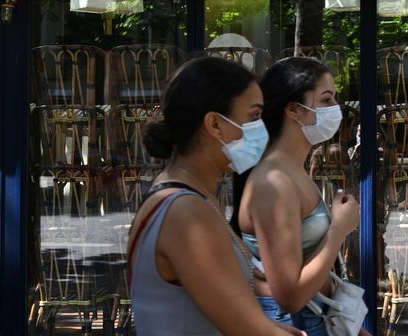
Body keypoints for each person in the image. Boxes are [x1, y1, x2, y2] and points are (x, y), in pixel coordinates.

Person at [128, 57, 303, 336]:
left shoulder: (188, 199)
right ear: (214, 124)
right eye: (254, 116)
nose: (261, 130)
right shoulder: (187, 212)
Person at [232, 57, 365, 336]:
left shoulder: (290, 171)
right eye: (326, 99)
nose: (335, 109)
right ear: (294, 110)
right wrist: (340, 228)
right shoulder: (274, 182)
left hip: (316, 316)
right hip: (298, 322)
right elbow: (290, 296)